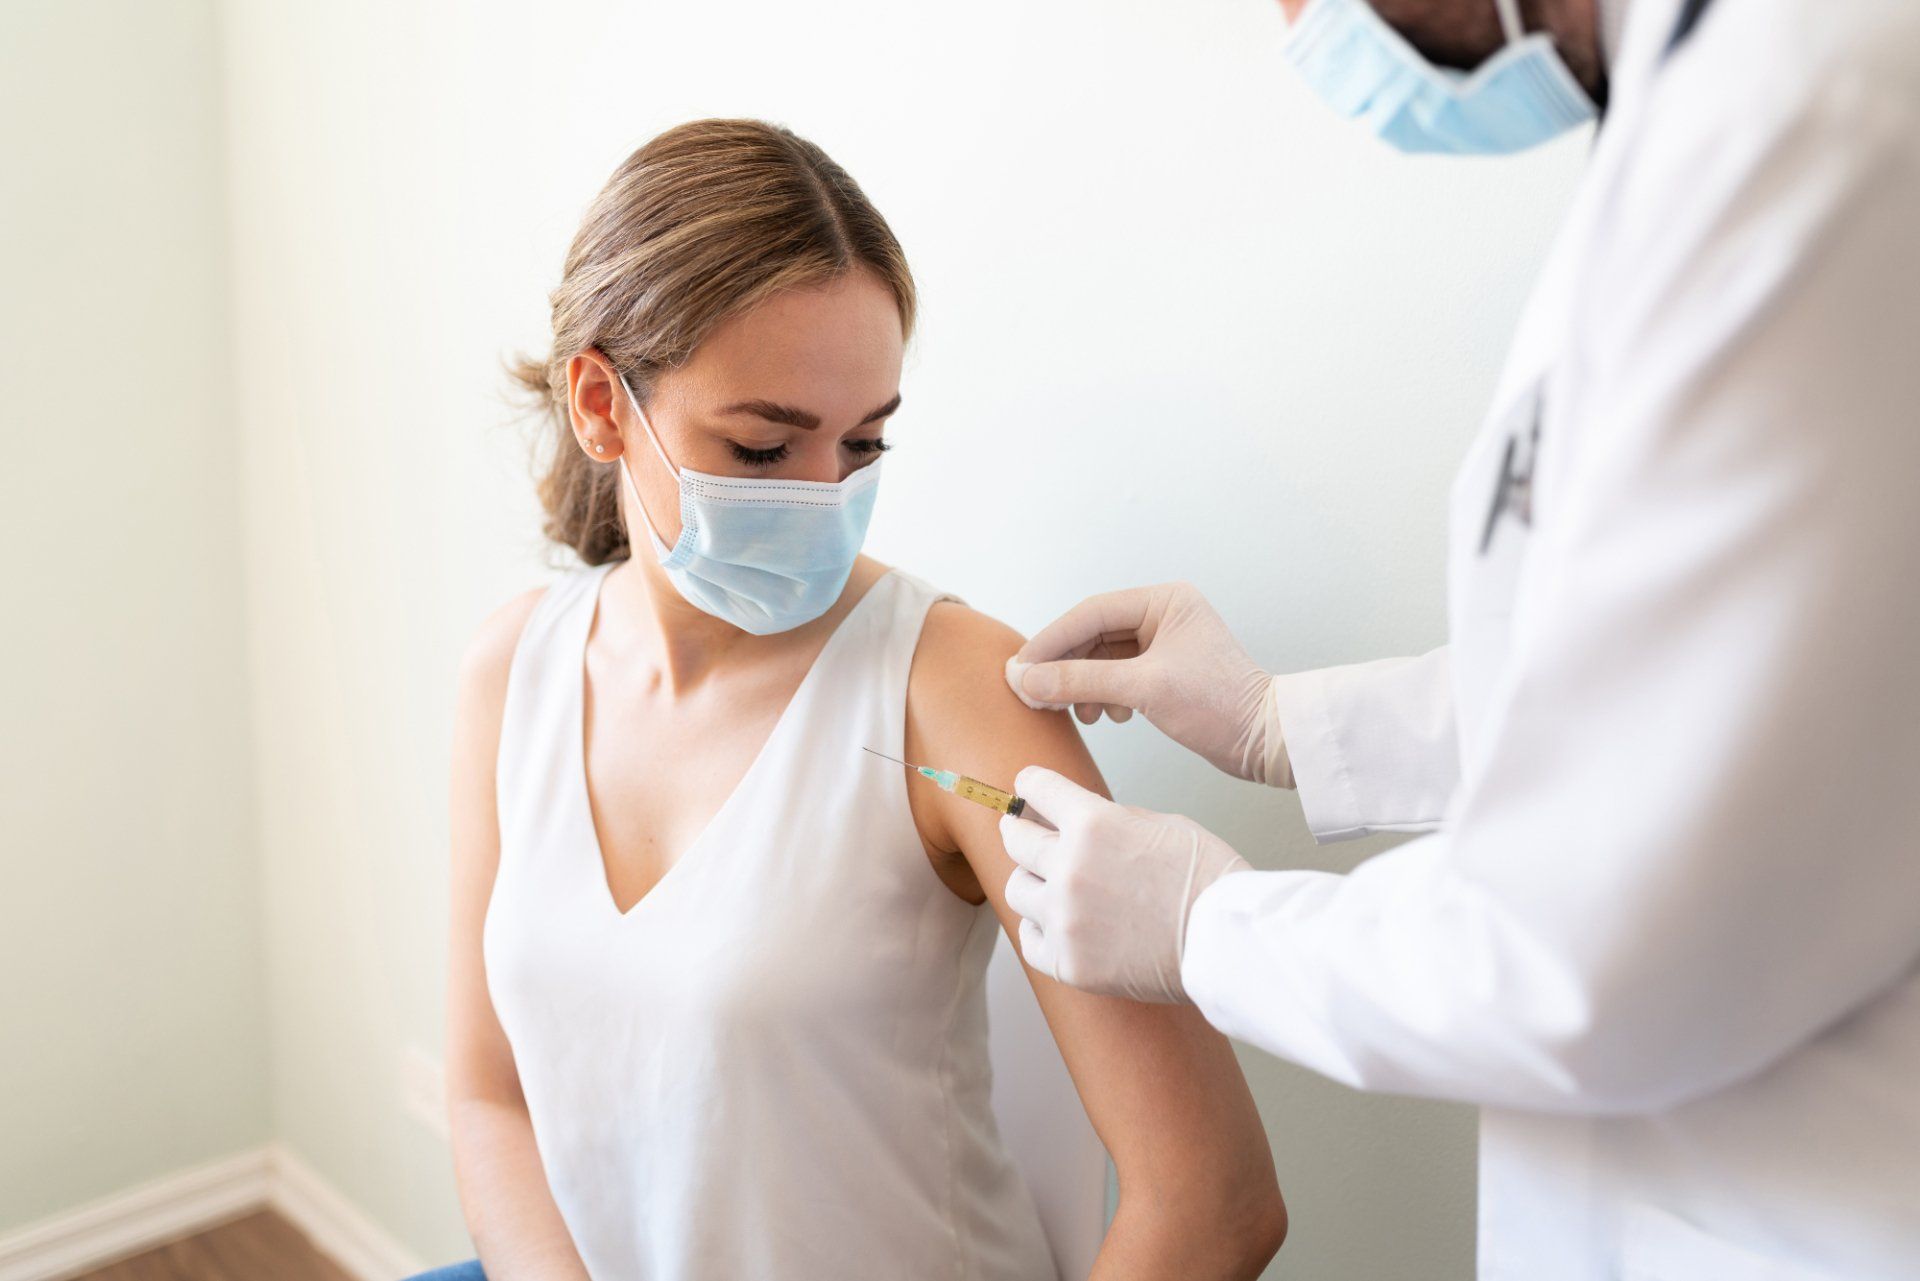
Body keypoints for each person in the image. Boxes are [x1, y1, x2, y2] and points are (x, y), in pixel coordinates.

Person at [998, 0, 1920, 1277]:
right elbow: (1710, 680)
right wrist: (1288, 724)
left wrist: (1214, 926)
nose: (1296, 20)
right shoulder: (1706, 117)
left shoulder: (1809, 127)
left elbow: (1592, 951)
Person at [418, 120, 1285, 1281]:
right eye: (766, 449)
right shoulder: (512, 672)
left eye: (863, 444)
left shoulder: (955, 688)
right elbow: (490, 1097)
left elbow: (1214, 1202)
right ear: (599, 405)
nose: (825, 499)